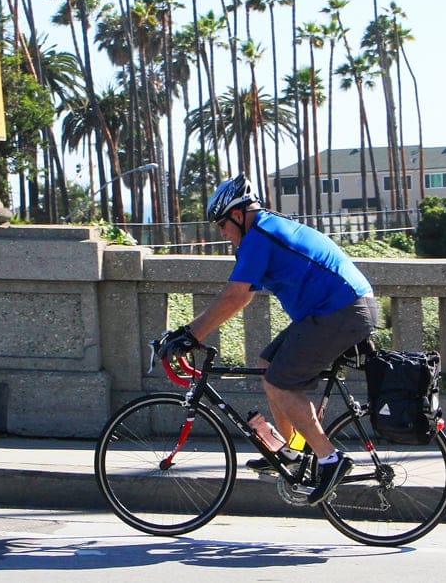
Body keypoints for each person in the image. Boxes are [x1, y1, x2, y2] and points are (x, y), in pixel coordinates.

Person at [159, 175, 378, 504]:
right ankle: (292, 453)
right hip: (333, 310)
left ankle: (330, 459)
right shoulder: (264, 228)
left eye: (222, 224)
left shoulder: (259, 234)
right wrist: (191, 332)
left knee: (279, 383)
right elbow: (242, 296)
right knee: (268, 364)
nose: (221, 232)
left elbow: (234, 296)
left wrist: (191, 336)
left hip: (341, 311)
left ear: (237, 215)